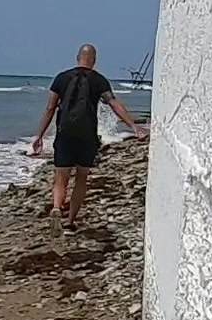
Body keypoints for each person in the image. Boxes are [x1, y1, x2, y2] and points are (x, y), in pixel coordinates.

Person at [29, 44, 147, 230]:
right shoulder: (99, 81)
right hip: (87, 136)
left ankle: (57, 207)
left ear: (77, 57)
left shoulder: (61, 78)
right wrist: (133, 125)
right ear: (94, 60)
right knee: (81, 178)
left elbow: (50, 108)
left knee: (61, 177)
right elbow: (113, 104)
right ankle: (70, 221)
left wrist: (39, 135)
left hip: (65, 134)